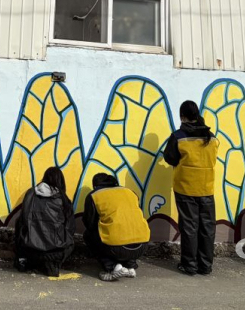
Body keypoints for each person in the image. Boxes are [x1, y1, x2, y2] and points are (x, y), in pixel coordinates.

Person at [163, 100, 219, 275]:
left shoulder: (179, 136)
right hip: (206, 188)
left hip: (185, 188)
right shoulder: (212, 138)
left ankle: (190, 265)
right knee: (207, 228)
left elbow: (170, 158)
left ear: (182, 116)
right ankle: (206, 265)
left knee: (189, 227)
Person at [83, 173, 150, 281]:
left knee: (89, 235)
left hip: (117, 248)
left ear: (95, 185)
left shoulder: (94, 195)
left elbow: (89, 223)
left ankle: (112, 267)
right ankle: (130, 265)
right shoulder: (130, 192)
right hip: (142, 245)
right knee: (128, 230)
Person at [14, 167, 76, 277]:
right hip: (56, 252)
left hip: (30, 249)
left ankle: (23, 259)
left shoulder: (31, 193)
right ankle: (52, 264)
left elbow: (23, 220)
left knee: (18, 223)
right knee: (71, 242)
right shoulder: (63, 198)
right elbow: (70, 227)